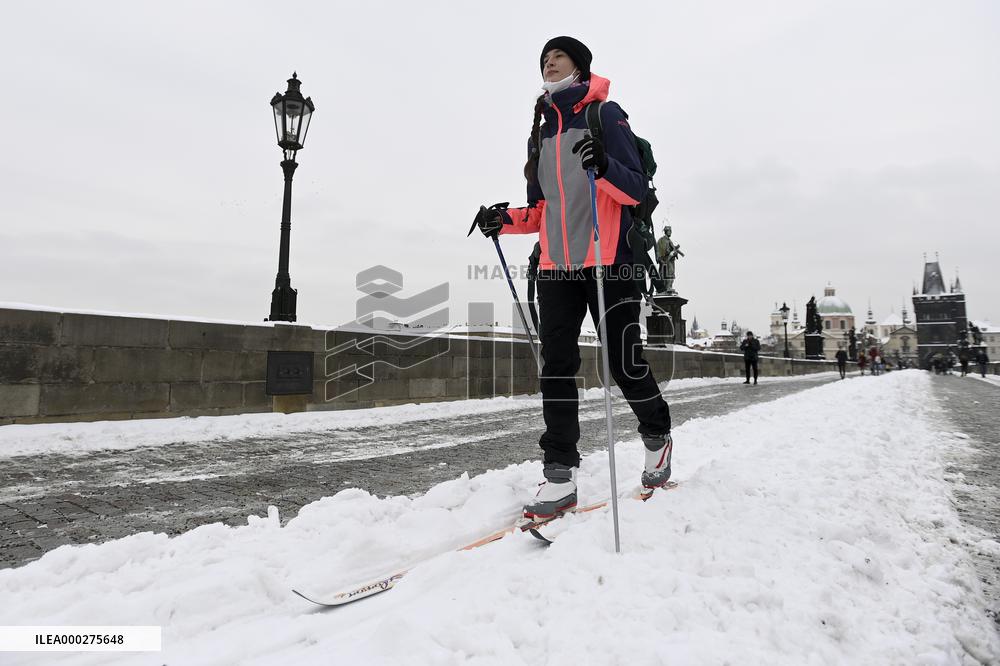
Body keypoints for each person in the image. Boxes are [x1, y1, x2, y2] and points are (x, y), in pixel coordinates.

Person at [472, 36, 672, 521]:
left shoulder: (606, 116)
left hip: (610, 261)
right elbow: (543, 210)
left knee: (624, 362)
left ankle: (658, 437)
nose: (549, 61)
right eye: (544, 58)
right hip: (555, 266)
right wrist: (507, 219)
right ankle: (559, 475)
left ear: (579, 66)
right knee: (556, 368)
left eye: (558, 56)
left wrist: (602, 166)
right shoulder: (541, 132)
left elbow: (635, 191)